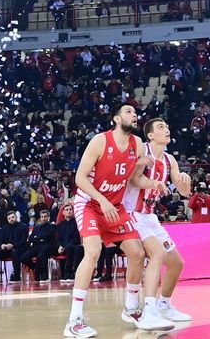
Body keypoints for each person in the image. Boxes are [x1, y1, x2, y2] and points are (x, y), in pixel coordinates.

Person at [64, 104, 168, 337]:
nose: (134, 115)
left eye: (135, 113)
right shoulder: (100, 141)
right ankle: (74, 320)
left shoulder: (137, 144)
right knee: (93, 252)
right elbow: (80, 178)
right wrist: (102, 201)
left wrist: (154, 183)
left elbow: (134, 180)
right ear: (117, 119)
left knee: (138, 253)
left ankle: (131, 309)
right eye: (128, 112)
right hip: (90, 204)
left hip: (114, 206)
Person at [121, 118, 194, 324]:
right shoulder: (143, 150)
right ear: (151, 135)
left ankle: (164, 305)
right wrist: (153, 183)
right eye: (161, 127)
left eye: (167, 126)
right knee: (157, 254)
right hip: (132, 213)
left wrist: (185, 182)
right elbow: (133, 178)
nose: (167, 129)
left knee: (176, 264)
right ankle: (149, 309)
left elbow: (184, 192)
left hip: (150, 216)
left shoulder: (170, 160)